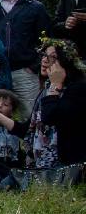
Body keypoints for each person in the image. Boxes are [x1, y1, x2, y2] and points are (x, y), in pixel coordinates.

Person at [25, 39, 86, 180]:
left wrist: (56, 85)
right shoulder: (46, 90)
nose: (45, 61)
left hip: (69, 164)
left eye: (52, 57)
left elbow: (51, 117)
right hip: (43, 161)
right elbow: (31, 127)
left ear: (65, 61)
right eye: (44, 56)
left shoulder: (78, 89)